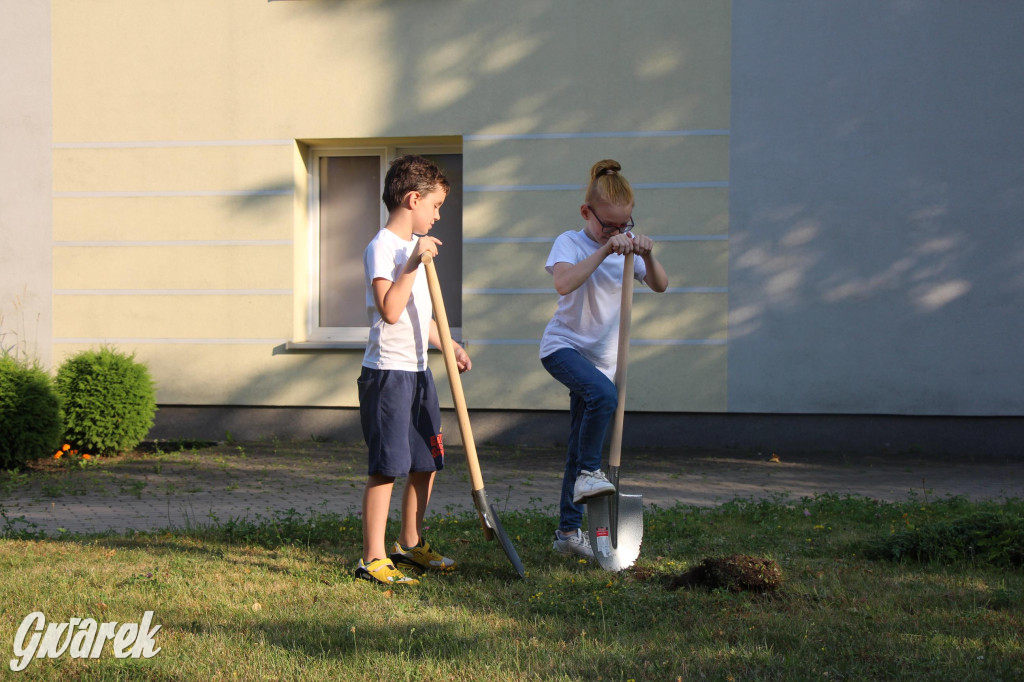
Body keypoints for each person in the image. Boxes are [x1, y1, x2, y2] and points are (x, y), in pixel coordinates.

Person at [540, 159, 669, 558]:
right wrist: (603, 250)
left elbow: (661, 285)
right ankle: (589, 475)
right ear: (586, 213)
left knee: (579, 444)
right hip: (563, 348)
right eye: (607, 226)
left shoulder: (627, 252)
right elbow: (563, 282)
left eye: (623, 226)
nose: (615, 233)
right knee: (605, 397)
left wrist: (646, 254)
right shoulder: (571, 243)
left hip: (602, 360)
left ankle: (567, 533)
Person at [355, 154, 472, 585]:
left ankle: (409, 544)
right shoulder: (384, 247)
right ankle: (372, 557)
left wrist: (449, 344)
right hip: (387, 373)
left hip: (419, 369)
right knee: (388, 463)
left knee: (427, 458)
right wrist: (411, 263)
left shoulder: (416, 249)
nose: (438, 216)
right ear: (412, 198)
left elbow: (419, 317)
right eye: (436, 206)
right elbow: (390, 310)